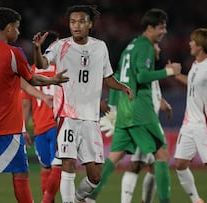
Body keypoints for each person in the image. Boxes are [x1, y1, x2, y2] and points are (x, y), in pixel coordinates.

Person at [0, 7, 69, 203]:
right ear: (9, 28)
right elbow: (31, 79)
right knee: (21, 173)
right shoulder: (13, 53)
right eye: (17, 28)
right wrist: (53, 80)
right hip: (7, 126)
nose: (19, 32)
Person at [33, 5, 134, 203]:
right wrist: (37, 49)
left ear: (90, 24)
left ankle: (80, 198)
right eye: (72, 22)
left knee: (96, 175)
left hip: (91, 119)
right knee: (68, 162)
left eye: (80, 21)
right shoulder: (60, 46)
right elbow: (41, 64)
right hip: (67, 116)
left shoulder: (100, 47)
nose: (76, 26)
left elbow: (108, 77)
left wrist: (122, 87)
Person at [85, 8, 182, 203]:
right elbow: (142, 76)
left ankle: (88, 198)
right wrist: (169, 72)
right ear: (149, 28)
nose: (164, 32)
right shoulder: (145, 45)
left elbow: (117, 77)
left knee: (114, 157)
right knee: (161, 154)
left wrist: (113, 107)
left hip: (125, 110)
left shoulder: (130, 47)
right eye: (161, 28)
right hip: (141, 111)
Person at [99, 43, 173, 203]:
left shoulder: (148, 70)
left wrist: (162, 103)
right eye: (156, 46)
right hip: (141, 123)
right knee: (140, 164)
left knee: (148, 166)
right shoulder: (138, 70)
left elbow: (150, 93)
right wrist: (113, 111)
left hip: (148, 122)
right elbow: (131, 93)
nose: (159, 48)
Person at [174, 28, 207, 203]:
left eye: (192, 41)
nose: (190, 43)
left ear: (200, 45)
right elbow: (191, 84)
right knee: (180, 165)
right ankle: (197, 200)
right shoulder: (195, 65)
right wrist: (175, 75)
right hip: (189, 123)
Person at [22, 30, 62, 203]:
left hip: (39, 128)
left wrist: (24, 129)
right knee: (58, 166)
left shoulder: (31, 70)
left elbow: (25, 103)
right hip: (57, 125)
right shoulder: (60, 68)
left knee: (45, 168)